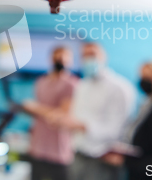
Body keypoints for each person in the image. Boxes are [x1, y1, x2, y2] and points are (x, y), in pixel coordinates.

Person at [53, 42, 136, 180]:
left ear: (103, 56)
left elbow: (119, 129)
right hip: (78, 155)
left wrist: (82, 126)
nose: (88, 59)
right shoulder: (82, 85)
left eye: (92, 54)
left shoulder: (119, 88)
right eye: (84, 55)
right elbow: (76, 115)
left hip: (102, 159)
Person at [103, 61, 152, 180]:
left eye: (147, 77)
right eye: (141, 76)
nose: (143, 80)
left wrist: (126, 161)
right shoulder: (146, 108)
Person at [22, 46, 78, 180]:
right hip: (37, 147)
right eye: (57, 57)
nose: (60, 61)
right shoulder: (41, 82)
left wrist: (35, 108)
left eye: (64, 58)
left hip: (59, 151)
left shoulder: (72, 84)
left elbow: (62, 115)